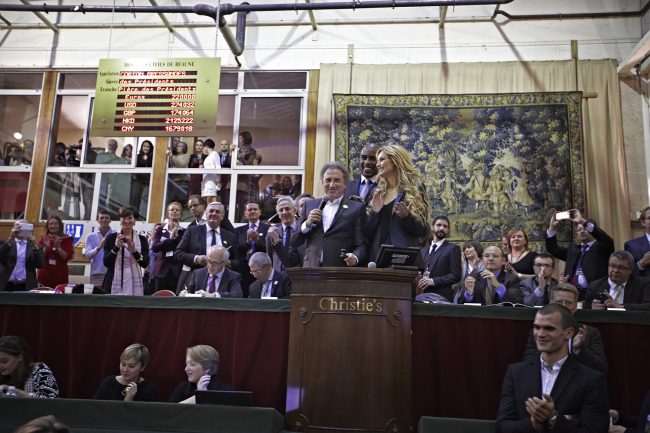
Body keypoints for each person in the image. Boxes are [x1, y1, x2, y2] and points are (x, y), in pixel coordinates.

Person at [495, 304, 609, 433]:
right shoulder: (516, 373)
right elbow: (502, 426)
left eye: (549, 329)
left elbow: (595, 430)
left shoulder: (591, 380)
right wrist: (533, 424)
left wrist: (553, 418)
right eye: (536, 327)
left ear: (569, 333)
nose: (540, 334)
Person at [292, 161, 367, 267]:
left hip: (339, 269)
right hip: (311, 269)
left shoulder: (356, 208)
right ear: (322, 182)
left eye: (337, 180)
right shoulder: (309, 205)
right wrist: (307, 224)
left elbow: (361, 245)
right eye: (328, 180)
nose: (332, 185)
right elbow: (294, 241)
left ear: (345, 183)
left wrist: (355, 257)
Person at [522, 283, 608, 374]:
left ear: (576, 306)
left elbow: (601, 368)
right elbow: (528, 364)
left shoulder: (590, 333)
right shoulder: (539, 332)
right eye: (559, 302)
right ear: (550, 303)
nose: (563, 306)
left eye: (568, 303)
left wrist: (579, 350)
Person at [366, 144, 429, 264]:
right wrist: (375, 212)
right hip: (378, 260)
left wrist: (407, 217)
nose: (377, 164)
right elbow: (367, 232)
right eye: (377, 160)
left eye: (382, 159)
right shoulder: (376, 192)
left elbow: (422, 231)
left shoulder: (414, 189)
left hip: (404, 259)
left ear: (395, 160)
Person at [546, 209, 614, 300]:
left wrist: (583, 221)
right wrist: (552, 228)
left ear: (592, 230)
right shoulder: (574, 249)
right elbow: (553, 249)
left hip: (594, 293)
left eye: (585, 228)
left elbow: (607, 240)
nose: (582, 231)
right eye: (579, 229)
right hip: (573, 294)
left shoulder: (602, 247)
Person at [174, 202, 239, 283]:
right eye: (211, 211)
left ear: (222, 216)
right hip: (195, 280)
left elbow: (237, 261)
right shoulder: (192, 231)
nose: (214, 213)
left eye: (217, 212)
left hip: (221, 282)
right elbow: (178, 253)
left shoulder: (230, 236)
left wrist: (229, 262)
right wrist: (196, 259)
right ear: (206, 214)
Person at [103, 207, 149, 295]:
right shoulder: (111, 238)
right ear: (120, 220)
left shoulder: (142, 240)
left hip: (134, 281)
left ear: (135, 220)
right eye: (124, 218)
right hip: (112, 280)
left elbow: (145, 264)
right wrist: (116, 247)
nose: (127, 221)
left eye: (130, 218)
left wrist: (134, 251)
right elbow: (106, 263)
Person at [584, 251, 650, 311]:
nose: (615, 271)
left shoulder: (644, 284)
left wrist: (621, 306)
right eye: (612, 266)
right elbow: (586, 307)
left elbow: (647, 306)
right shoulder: (595, 286)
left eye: (621, 267)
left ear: (630, 270)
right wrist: (592, 308)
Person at [416, 216, 461, 302]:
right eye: (439, 225)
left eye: (445, 226)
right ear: (432, 227)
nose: (441, 228)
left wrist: (433, 281)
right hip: (419, 295)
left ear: (447, 230)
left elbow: (456, 275)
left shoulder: (453, 248)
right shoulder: (423, 249)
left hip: (440, 297)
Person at [456, 245, 521, 305]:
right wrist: (469, 294)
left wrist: (498, 286)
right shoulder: (473, 277)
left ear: (503, 260)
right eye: (487, 256)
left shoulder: (512, 279)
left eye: (495, 256)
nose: (490, 259)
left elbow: (516, 303)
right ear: (482, 259)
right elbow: (460, 304)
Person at [168, 344, 232, 404]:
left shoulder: (225, 391)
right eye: (186, 364)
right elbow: (169, 412)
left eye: (192, 364)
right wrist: (198, 396)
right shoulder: (182, 388)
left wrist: (204, 395)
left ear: (207, 367)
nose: (186, 369)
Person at [236, 201, 269, 297]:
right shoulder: (238, 230)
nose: (252, 211)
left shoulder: (268, 228)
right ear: (245, 213)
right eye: (249, 210)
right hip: (244, 270)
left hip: (263, 268)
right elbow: (237, 250)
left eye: (255, 209)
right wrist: (248, 243)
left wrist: (257, 240)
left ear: (259, 212)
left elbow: (268, 248)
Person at [151, 202, 186, 293]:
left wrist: (176, 236)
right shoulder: (160, 230)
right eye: (172, 210)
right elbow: (155, 247)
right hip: (161, 269)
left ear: (180, 214)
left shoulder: (184, 232)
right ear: (168, 213)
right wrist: (170, 239)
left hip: (176, 270)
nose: (174, 211)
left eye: (177, 210)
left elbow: (182, 248)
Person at [0, 220, 44, 291]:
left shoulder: (35, 246)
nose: (21, 230)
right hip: (6, 285)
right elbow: (1, 256)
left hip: (26, 286)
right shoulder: (5, 243)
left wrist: (34, 245)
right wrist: (11, 238)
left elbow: (40, 264)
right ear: (13, 229)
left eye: (25, 227)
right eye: (19, 227)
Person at [266, 196, 303, 271]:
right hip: (279, 275)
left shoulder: (303, 229)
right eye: (281, 210)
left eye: (287, 209)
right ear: (278, 214)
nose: (284, 212)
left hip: (298, 274)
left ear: (295, 210)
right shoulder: (272, 232)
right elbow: (269, 257)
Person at [37, 215, 74, 288]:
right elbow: (39, 258)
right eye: (51, 224)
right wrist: (46, 248)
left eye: (56, 223)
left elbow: (66, 258)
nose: (53, 226)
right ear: (47, 226)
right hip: (44, 275)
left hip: (60, 276)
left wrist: (58, 247)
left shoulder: (67, 239)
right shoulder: (43, 239)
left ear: (60, 225)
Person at [83, 210, 115, 288]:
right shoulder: (91, 236)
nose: (104, 220)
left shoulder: (115, 234)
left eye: (106, 218)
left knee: (111, 297)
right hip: (96, 274)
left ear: (110, 220)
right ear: (98, 220)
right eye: (101, 218)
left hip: (112, 273)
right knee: (97, 298)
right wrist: (98, 247)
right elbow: (87, 255)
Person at [624, 206, 650, 278]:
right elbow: (625, 273)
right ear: (643, 222)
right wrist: (642, 263)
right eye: (649, 218)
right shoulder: (632, 245)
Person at [130, 140, 154, 216]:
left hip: (148, 181)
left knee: (146, 199)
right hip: (138, 180)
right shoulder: (137, 156)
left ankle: (144, 214)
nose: (146, 148)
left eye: (147, 146)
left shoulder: (153, 157)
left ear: (150, 148)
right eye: (144, 146)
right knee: (135, 197)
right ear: (141, 147)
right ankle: (133, 213)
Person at [201, 139, 221, 204]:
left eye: (204, 147)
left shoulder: (214, 154)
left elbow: (218, 167)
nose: (203, 149)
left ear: (206, 146)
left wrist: (218, 180)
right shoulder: (208, 157)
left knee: (212, 199)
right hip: (206, 180)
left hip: (212, 180)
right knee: (207, 200)